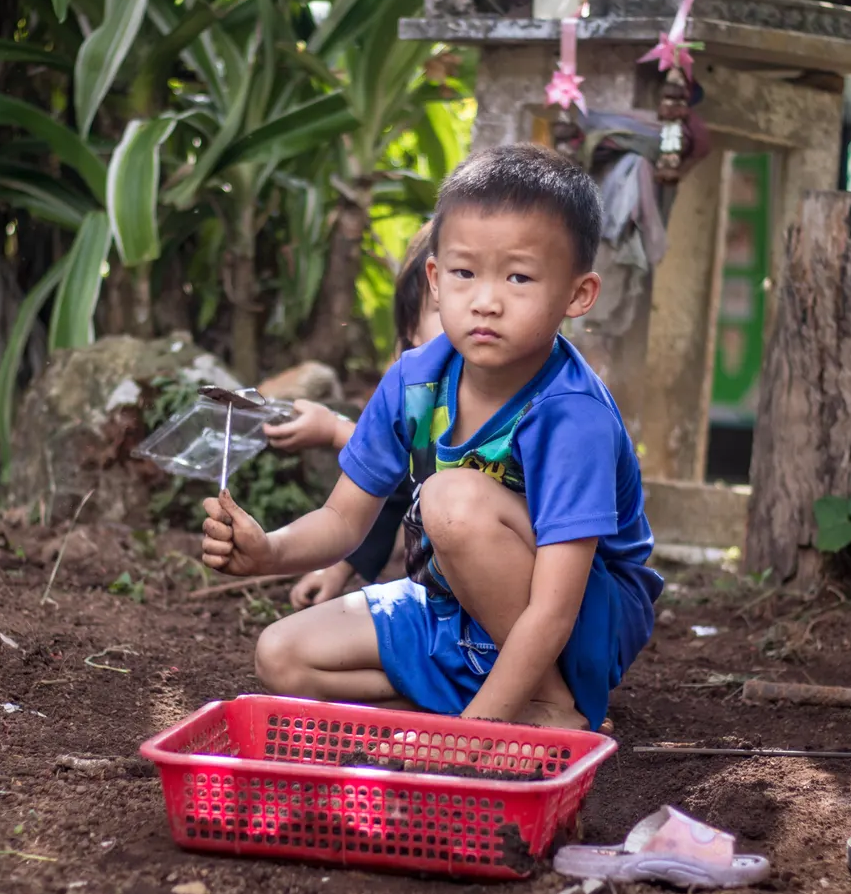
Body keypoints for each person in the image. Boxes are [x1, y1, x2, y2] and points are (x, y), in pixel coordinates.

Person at [201, 144, 661, 732]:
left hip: (581, 624)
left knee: (451, 499)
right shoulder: (417, 378)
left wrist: (477, 739)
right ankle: (490, 706)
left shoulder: (572, 415)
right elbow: (343, 520)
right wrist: (268, 553)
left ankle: (546, 705)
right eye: (465, 273)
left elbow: (554, 607)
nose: (487, 301)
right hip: (454, 606)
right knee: (281, 656)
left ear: (577, 295)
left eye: (519, 277)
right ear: (436, 280)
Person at [263, 226, 442, 608]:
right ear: (412, 328)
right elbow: (391, 481)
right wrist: (341, 566)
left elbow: (427, 458)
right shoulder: (418, 397)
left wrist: (334, 431)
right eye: (444, 309)